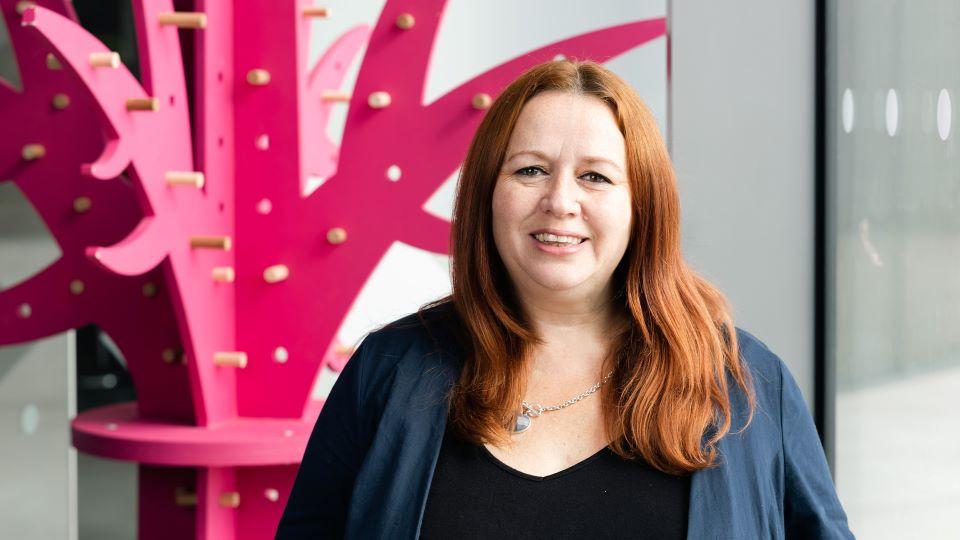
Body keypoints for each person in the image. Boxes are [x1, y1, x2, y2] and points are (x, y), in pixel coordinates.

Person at [275, 60, 854, 539]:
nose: (559, 201)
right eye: (530, 170)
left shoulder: (746, 384)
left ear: (642, 206)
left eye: (596, 177)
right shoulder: (387, 372)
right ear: (487, 193)